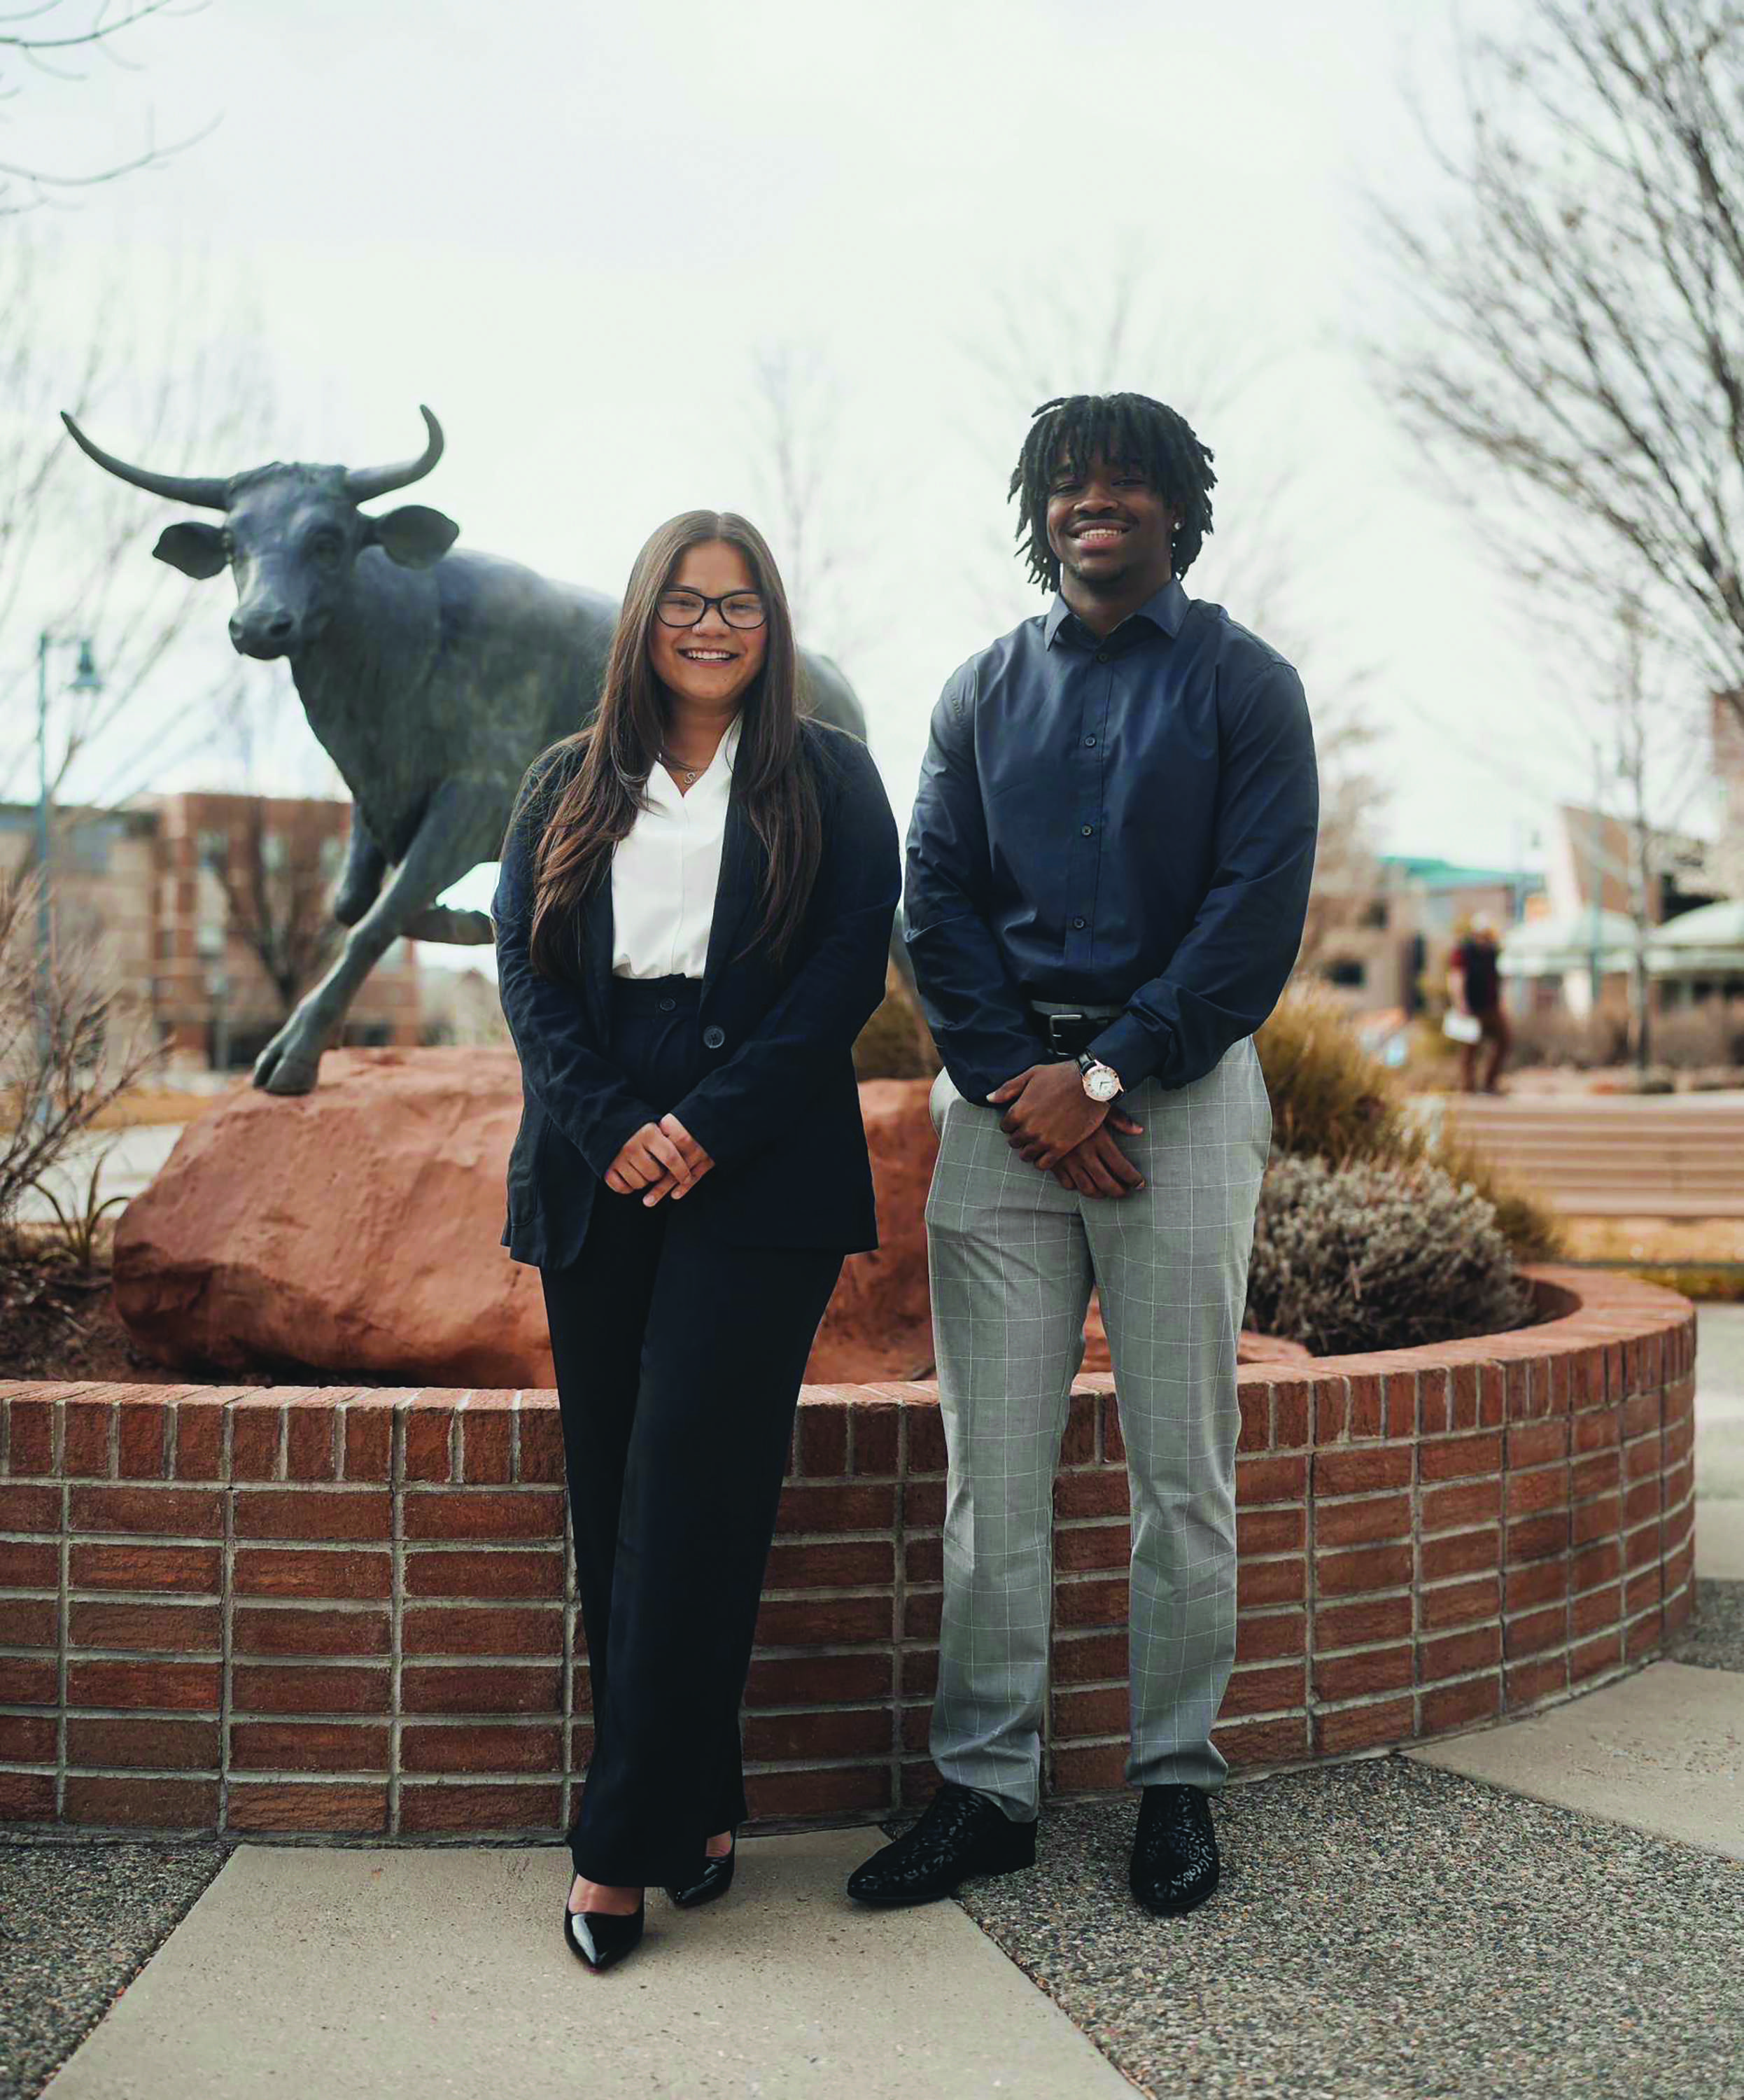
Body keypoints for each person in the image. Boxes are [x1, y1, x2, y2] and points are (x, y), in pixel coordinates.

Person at [850, 393, 1318, 1920]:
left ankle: (1174, 1784)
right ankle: (986, 1788)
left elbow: (1251, 920)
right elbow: (936, 902)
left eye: (1124, 484)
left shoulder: (1249, 688)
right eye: (1066, 484)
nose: (1090, 504)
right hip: (999, 1121)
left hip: (1174, 1100)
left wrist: (1107, 1073)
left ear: (1178, 511)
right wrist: (1017, 1081)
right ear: (1037, 510)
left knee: (1183, 1468)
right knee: (994, 1473)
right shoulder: (980, 690)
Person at [492, 512, 899, 1973]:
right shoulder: (562, 781)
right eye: (685, 600)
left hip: (763, 1151)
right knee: (617, 1499)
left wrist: (709, 1122)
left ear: (770, 625)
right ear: (641, 619)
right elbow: (526, 981)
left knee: (693, 1487)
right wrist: (612, 1123)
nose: (713, 626)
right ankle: (701, 1798)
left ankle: (616, 1851)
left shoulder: (830, 778)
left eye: (739, 605)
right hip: (595, 1152)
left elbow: (848, 966)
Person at [1447, 913, 1510, 1093]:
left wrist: (1502, 1003)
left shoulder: (1492, 952)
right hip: (1471, 1008)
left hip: (1491, 1007)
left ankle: (1489, 1083)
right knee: (1469, 1049)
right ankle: (1468, 1087)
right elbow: (1456, 978)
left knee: (1505, 1041)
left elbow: (1497, 980)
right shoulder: (1464, 952)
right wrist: (1460, 1003)